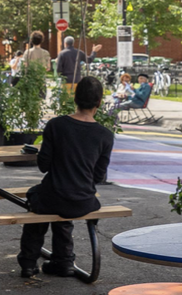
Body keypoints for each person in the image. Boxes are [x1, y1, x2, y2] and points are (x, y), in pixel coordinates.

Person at [17, 74, 114, 278]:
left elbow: (43, 166)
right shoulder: (105, 135)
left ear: (75, 99)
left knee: (38, 197)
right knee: (63, 200)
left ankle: (28, 262)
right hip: (84, 200)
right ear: (99, 102)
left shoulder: (56, 125)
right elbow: (98, 175)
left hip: (53, 196)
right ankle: (63, 260)